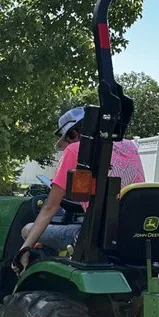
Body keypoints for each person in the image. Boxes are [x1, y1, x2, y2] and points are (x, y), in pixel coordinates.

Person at [17, 106, 145, 271]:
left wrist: (23, 251)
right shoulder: (130, 146)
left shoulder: (75, 150)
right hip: (135, 232)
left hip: (97, 237)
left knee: (28, 229)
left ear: (74, 134)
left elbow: (50, 208)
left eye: (68, 138)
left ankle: (43, 274)